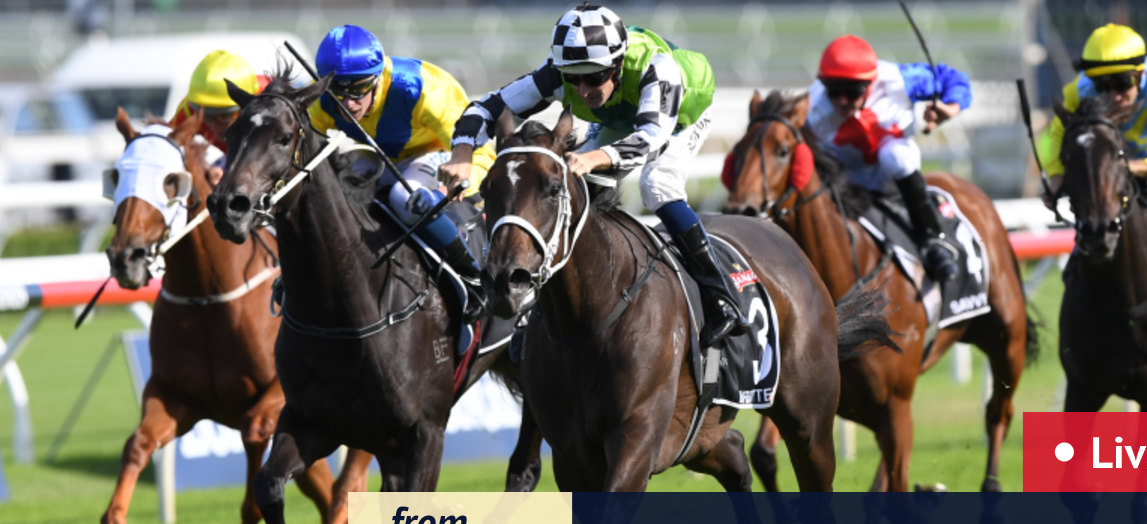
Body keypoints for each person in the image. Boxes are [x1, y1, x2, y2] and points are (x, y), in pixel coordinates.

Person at [439, 3, 749, 348]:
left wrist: (594, 158)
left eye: (594, 77)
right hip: (619, 118)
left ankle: (721, 294)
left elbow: (650, 137)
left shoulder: (658, 69)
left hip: (677, 116)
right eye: (574, 78)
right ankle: (541, 309)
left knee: (657, 186)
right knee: (570, 194)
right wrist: (462, 155)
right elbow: (487, 106)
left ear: (617, 66)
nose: (583, 90)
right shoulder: (556, 72)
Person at [310, 24, 495, 322]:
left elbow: (481, 153)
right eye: (337, 91)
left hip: (438, 154)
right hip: (383, 157)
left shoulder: (424, 89)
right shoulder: (321, 103)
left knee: (402, 196)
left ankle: (472, 277)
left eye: (358, 89)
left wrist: (452, 191)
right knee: (332, 190)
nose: (348, 103)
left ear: (378, 77)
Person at [806, 34, 970, 283]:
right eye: (834, 91)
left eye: (851, 92)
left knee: (895, 156)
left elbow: (954, 79)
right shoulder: (811, 107)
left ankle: (933, 240)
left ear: (870, 84)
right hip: (843, 179)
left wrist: (949, 109)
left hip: (894, 169)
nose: (841, 101)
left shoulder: (899, 80)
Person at [1042, 23, 1147, 222]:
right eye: (1102, 86)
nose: (1114, 96)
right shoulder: (1079, 90)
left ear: (1140, 73)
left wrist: (1130, 167)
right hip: (1124, 164)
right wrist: (1056, 177)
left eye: (1122, 83)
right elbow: (1052, 137)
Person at [169, 49, 269, 184]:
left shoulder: (268, 99)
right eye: (207, 116)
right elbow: (164, 147)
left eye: (224, 116)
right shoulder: (190, 111)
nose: (214, 126)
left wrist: (225, 166)